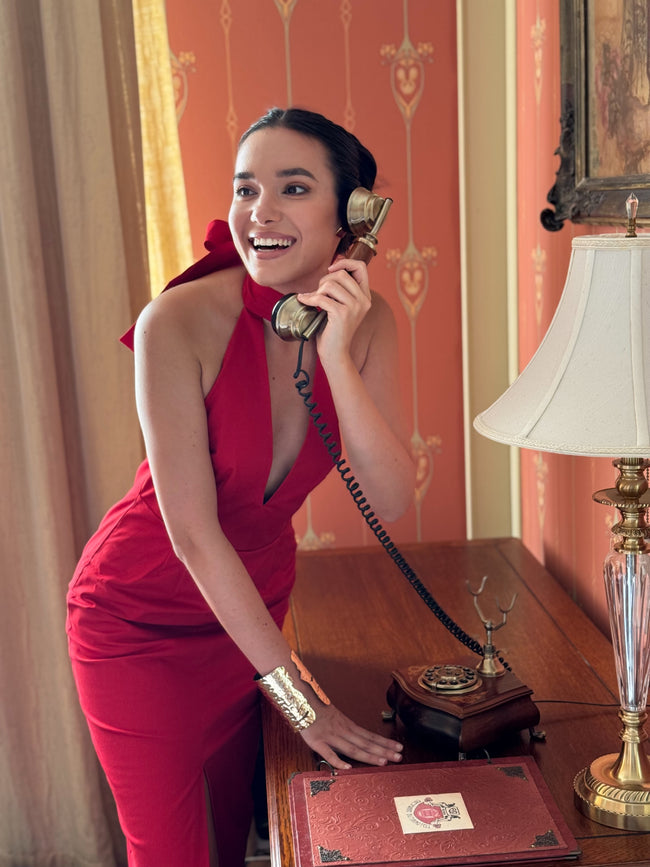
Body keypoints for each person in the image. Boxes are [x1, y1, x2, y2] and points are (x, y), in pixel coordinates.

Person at [66, 106, 415, 867]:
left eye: (293, 188)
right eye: (246, 188)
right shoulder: (175, 322)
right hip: (138, 623)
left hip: (250, 618)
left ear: (353, 215)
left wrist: (339, 358)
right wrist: (300, 701)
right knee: (172, 854)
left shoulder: (370, 321)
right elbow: (191, 531)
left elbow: (392, 498)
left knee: (232, 841)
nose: (261, 212)